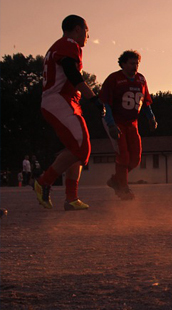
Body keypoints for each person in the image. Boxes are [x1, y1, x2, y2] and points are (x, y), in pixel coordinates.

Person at [33, 15, 117, 211]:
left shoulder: (61, 46)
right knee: (80, 145)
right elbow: (73, 74)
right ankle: (44, 182)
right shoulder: (69, 44)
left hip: (65, 100)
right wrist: (94, 98)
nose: (88, 36)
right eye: (87, 31)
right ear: (78, 29)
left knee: (79, 150)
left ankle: (71, 197)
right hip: (58, 100)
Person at [100, 50, 157, 200]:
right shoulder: (114, 79)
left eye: (137, 63)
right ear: (123, 64)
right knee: (123, 156)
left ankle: (115, 180)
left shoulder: (141, 80)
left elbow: (145, 103)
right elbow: (105, 104)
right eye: (132, 63)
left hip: (132, 123)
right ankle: (123, 189)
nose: (135, 66)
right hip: (116, 121)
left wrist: (151, 118)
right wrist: (111, 124)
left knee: (136, 159)